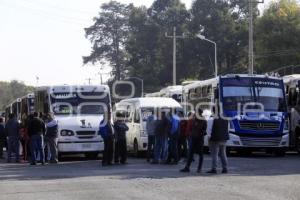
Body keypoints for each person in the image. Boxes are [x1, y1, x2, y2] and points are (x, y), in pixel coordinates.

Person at [180, 109, 207, 173]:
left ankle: (199, 168)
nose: (195, 114)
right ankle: (187, 167)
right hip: (193, 138)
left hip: (199, 139)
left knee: (200, 154)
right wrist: (191, 134)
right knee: (190, 153)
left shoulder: (203, 121)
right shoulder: (194, 120)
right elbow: (192, 128)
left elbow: (204, 131)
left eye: (196, 112)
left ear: (200, 113)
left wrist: (199, 134)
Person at [207, 110, 229, 174]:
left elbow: (209, 130)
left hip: (215, 139)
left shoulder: (211, 119)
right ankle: (225, 168)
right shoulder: (225, 118)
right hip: (224, 139)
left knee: (214, 154)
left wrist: (209, 138)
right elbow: (227, 129)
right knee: (223, 154)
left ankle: (214, 169)